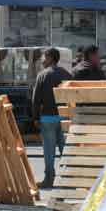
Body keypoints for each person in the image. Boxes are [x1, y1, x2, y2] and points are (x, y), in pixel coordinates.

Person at [31, 48, 72, 189]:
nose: (42, 60)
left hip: (48, 118)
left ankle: (49, 179)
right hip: (64, 117)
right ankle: (69, 179)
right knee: (65, 150)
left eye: (44, 57)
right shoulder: (66, 74)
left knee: (49, 151)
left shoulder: (42, 75)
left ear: (50, 58)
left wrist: (35, 117)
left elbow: (36, 99)